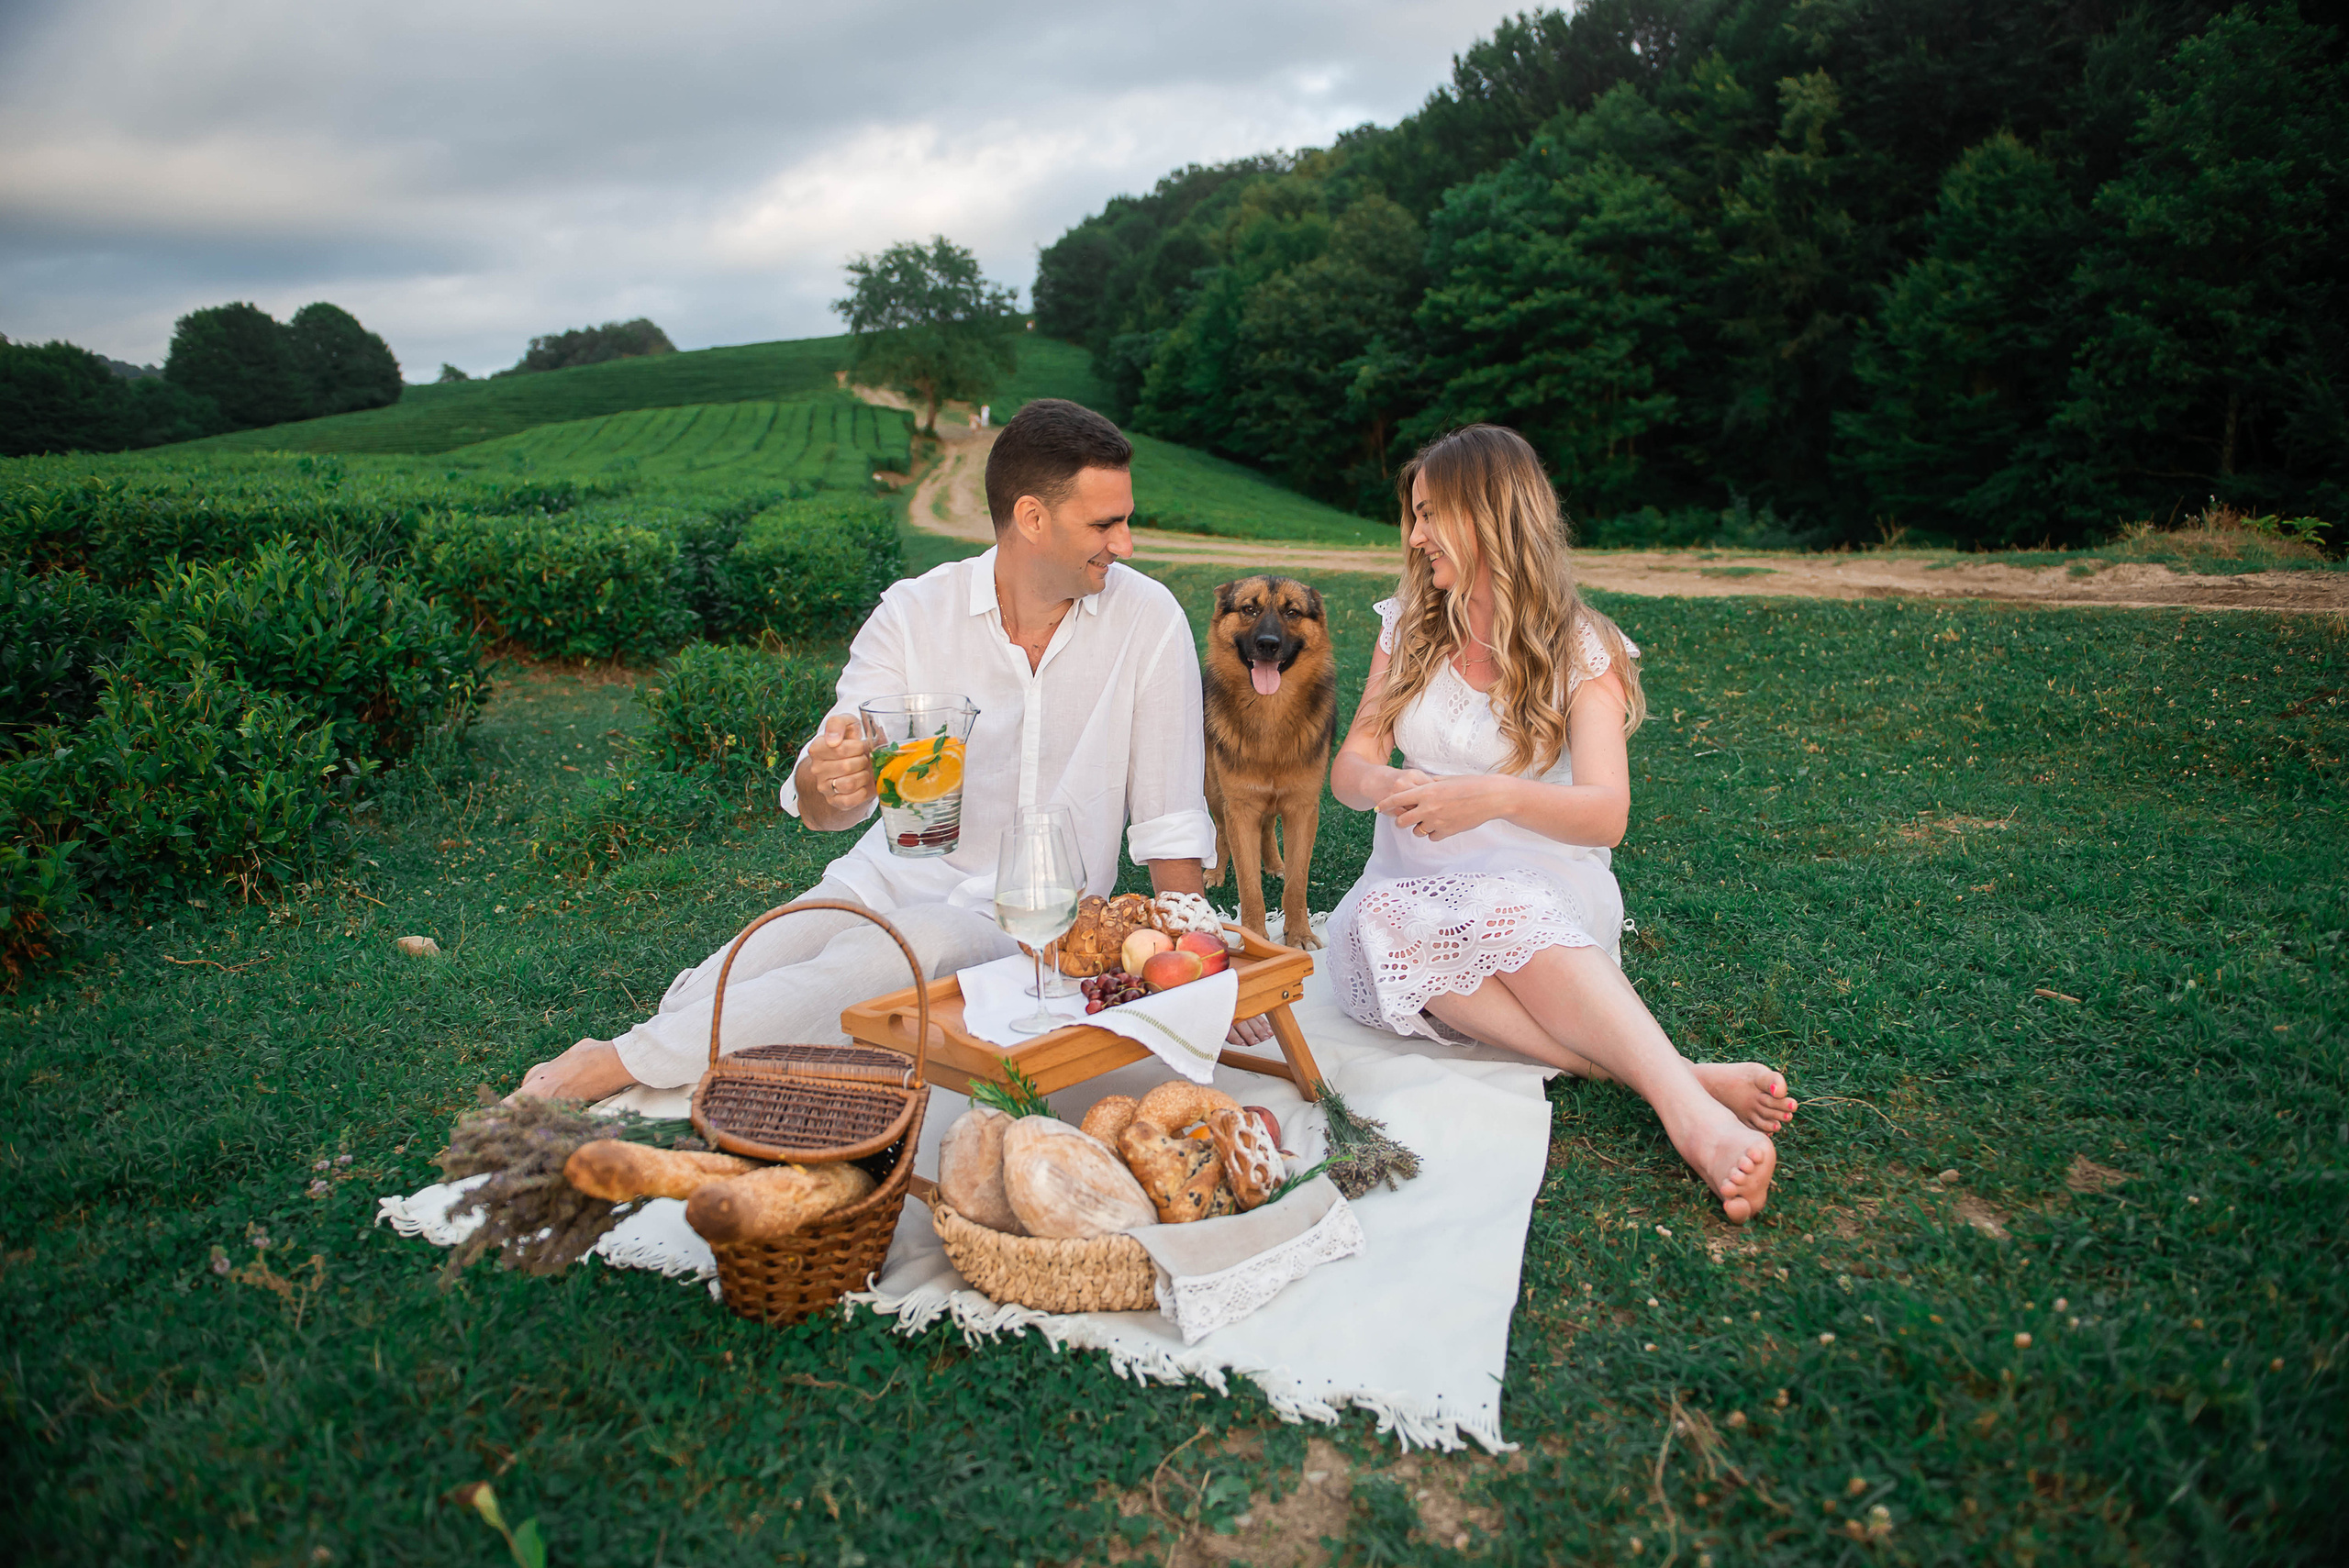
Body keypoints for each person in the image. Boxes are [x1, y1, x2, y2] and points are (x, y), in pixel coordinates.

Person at [514, 399, 1222, 1100]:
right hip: (881, 881)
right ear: (1032, 518)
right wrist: (831, 780)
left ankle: (613, 1066)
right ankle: (693, 1036)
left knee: (900, 951)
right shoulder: (915, 612)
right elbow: (823, 799)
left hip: (1022, 917)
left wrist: (1198, 973)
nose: (1126, 543)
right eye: (1107, 523)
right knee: (722, 981)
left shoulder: (1147, 620)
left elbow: (1170, 817)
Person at [1324, 425, 1795, 1221]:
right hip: (1410, 897)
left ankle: (1690, 1118)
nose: (1414, 536)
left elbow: (1608, 814)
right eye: (1413, 514)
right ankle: (1674, 1071)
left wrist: (1494, 796)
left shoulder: (1581, 645)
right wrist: (1384, 779)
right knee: (1373, 927)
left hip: (1541, 902)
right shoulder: (1408, 624)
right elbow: (1349, 768)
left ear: (1492, 514)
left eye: (1432, 512)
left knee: (1498, 911)